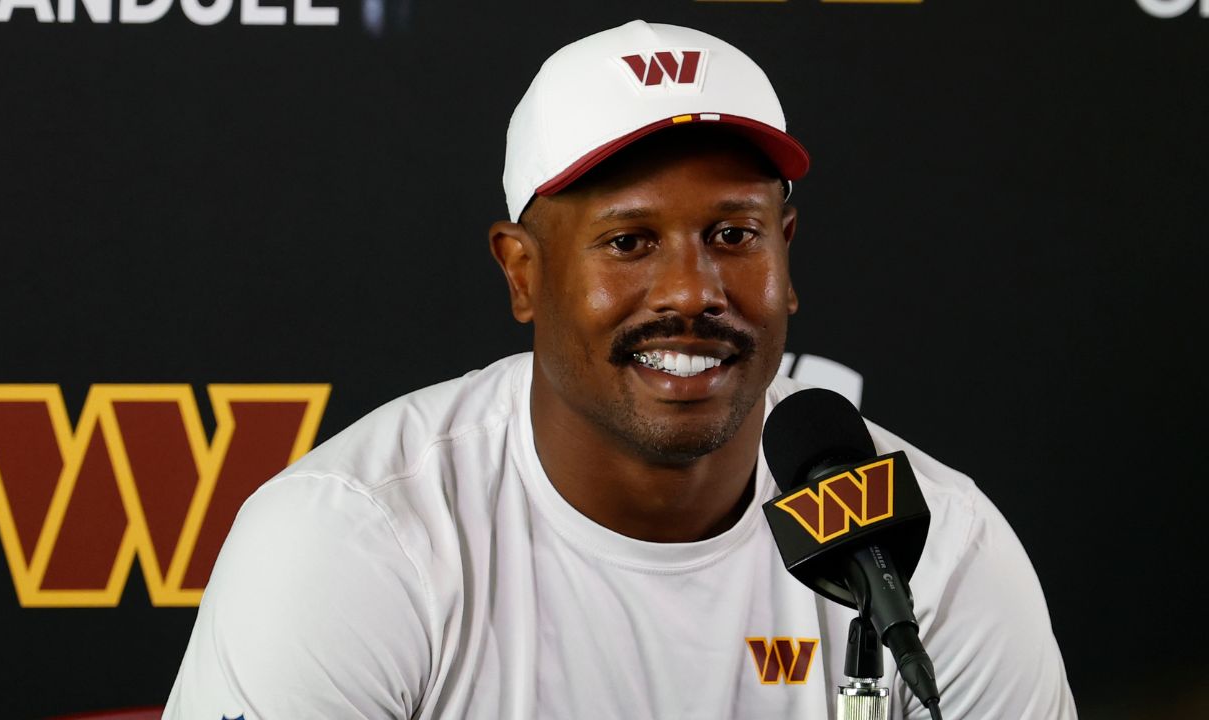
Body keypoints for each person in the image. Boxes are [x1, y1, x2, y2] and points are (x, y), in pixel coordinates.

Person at [163, 20, 1075, 719]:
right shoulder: (353, 542)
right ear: (522, 272)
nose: (692, 289)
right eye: (629, 241)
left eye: (733, 235)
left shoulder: (931, 547)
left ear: (786, 255)